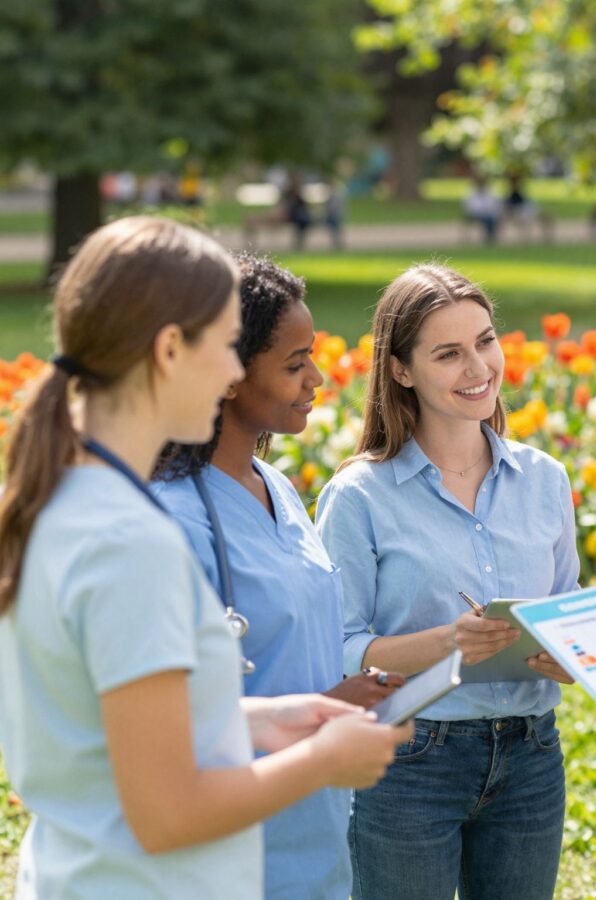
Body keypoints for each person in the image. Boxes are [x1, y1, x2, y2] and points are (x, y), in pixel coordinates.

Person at [0, 217, 408, 899]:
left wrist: (263, 721)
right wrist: (321, 760)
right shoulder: (131, 542)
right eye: (224, 346)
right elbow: (167, 815)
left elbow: (105, 730)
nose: (229, 373)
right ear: (169, 350)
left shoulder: (61, 499)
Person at [316, 263, 580, 900]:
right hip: (409, 760)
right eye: (448, 353)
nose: (478, 367)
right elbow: (336, 649)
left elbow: (571, 614)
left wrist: (573, 655)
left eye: (485, 341)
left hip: (531, 754)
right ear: (401, 370)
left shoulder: (545, 480)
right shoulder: (359, 496)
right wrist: (448, 644)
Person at [151, 253, 401, 900]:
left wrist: (343, 697)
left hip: (318, 827)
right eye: (294, 364)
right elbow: (165, 722)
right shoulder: (170, 519)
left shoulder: (277, 487)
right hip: (232, 840)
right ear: (228, 373)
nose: (317, 377)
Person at [462, 173, 502, 244]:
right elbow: (469, 206)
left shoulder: (490, 191)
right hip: (475, 213)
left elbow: (495, 204)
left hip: (488, 213)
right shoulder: (471, 192)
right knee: (489, 219)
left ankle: (490, 236)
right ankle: (489, 237)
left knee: (492, 218)